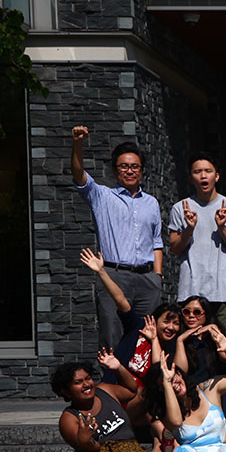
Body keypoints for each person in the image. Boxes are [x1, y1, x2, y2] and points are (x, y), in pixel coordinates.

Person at [70, 125, 163, 349]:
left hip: (147, 279)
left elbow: (157, 242)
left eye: (134, 166)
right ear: (115, 170)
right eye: (124, 166)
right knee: (113, 338)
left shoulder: (151, 202)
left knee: (147, 341)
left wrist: (158, 277)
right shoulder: (102, 196)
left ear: (141, 171)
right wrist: (78, 143)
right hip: (114, 275)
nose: (129, 171)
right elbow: (78, 174)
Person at [168, 153, 226, 340]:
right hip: (191, 290)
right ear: (190, 178)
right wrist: (189, 228)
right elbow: (175, 248)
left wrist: (222, 227)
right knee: (193, 345)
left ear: (216, 176)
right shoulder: (181, 208)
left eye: (208, 171)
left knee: (225, 346)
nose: (203, 176)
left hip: (225, 291)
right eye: (198, 172)